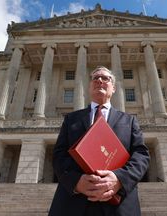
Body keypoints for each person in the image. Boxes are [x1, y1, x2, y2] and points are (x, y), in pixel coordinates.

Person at [48, 66, 150, 216]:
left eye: (105, 78)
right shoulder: (71, 119)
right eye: (95, 78)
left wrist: (119, 179)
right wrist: (76, 181)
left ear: (113, 88)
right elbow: (58, 155)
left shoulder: (129, 120)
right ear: (89, 87)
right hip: (73, 203)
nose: (99, 80)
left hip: (118, 205)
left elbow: (141, 155)